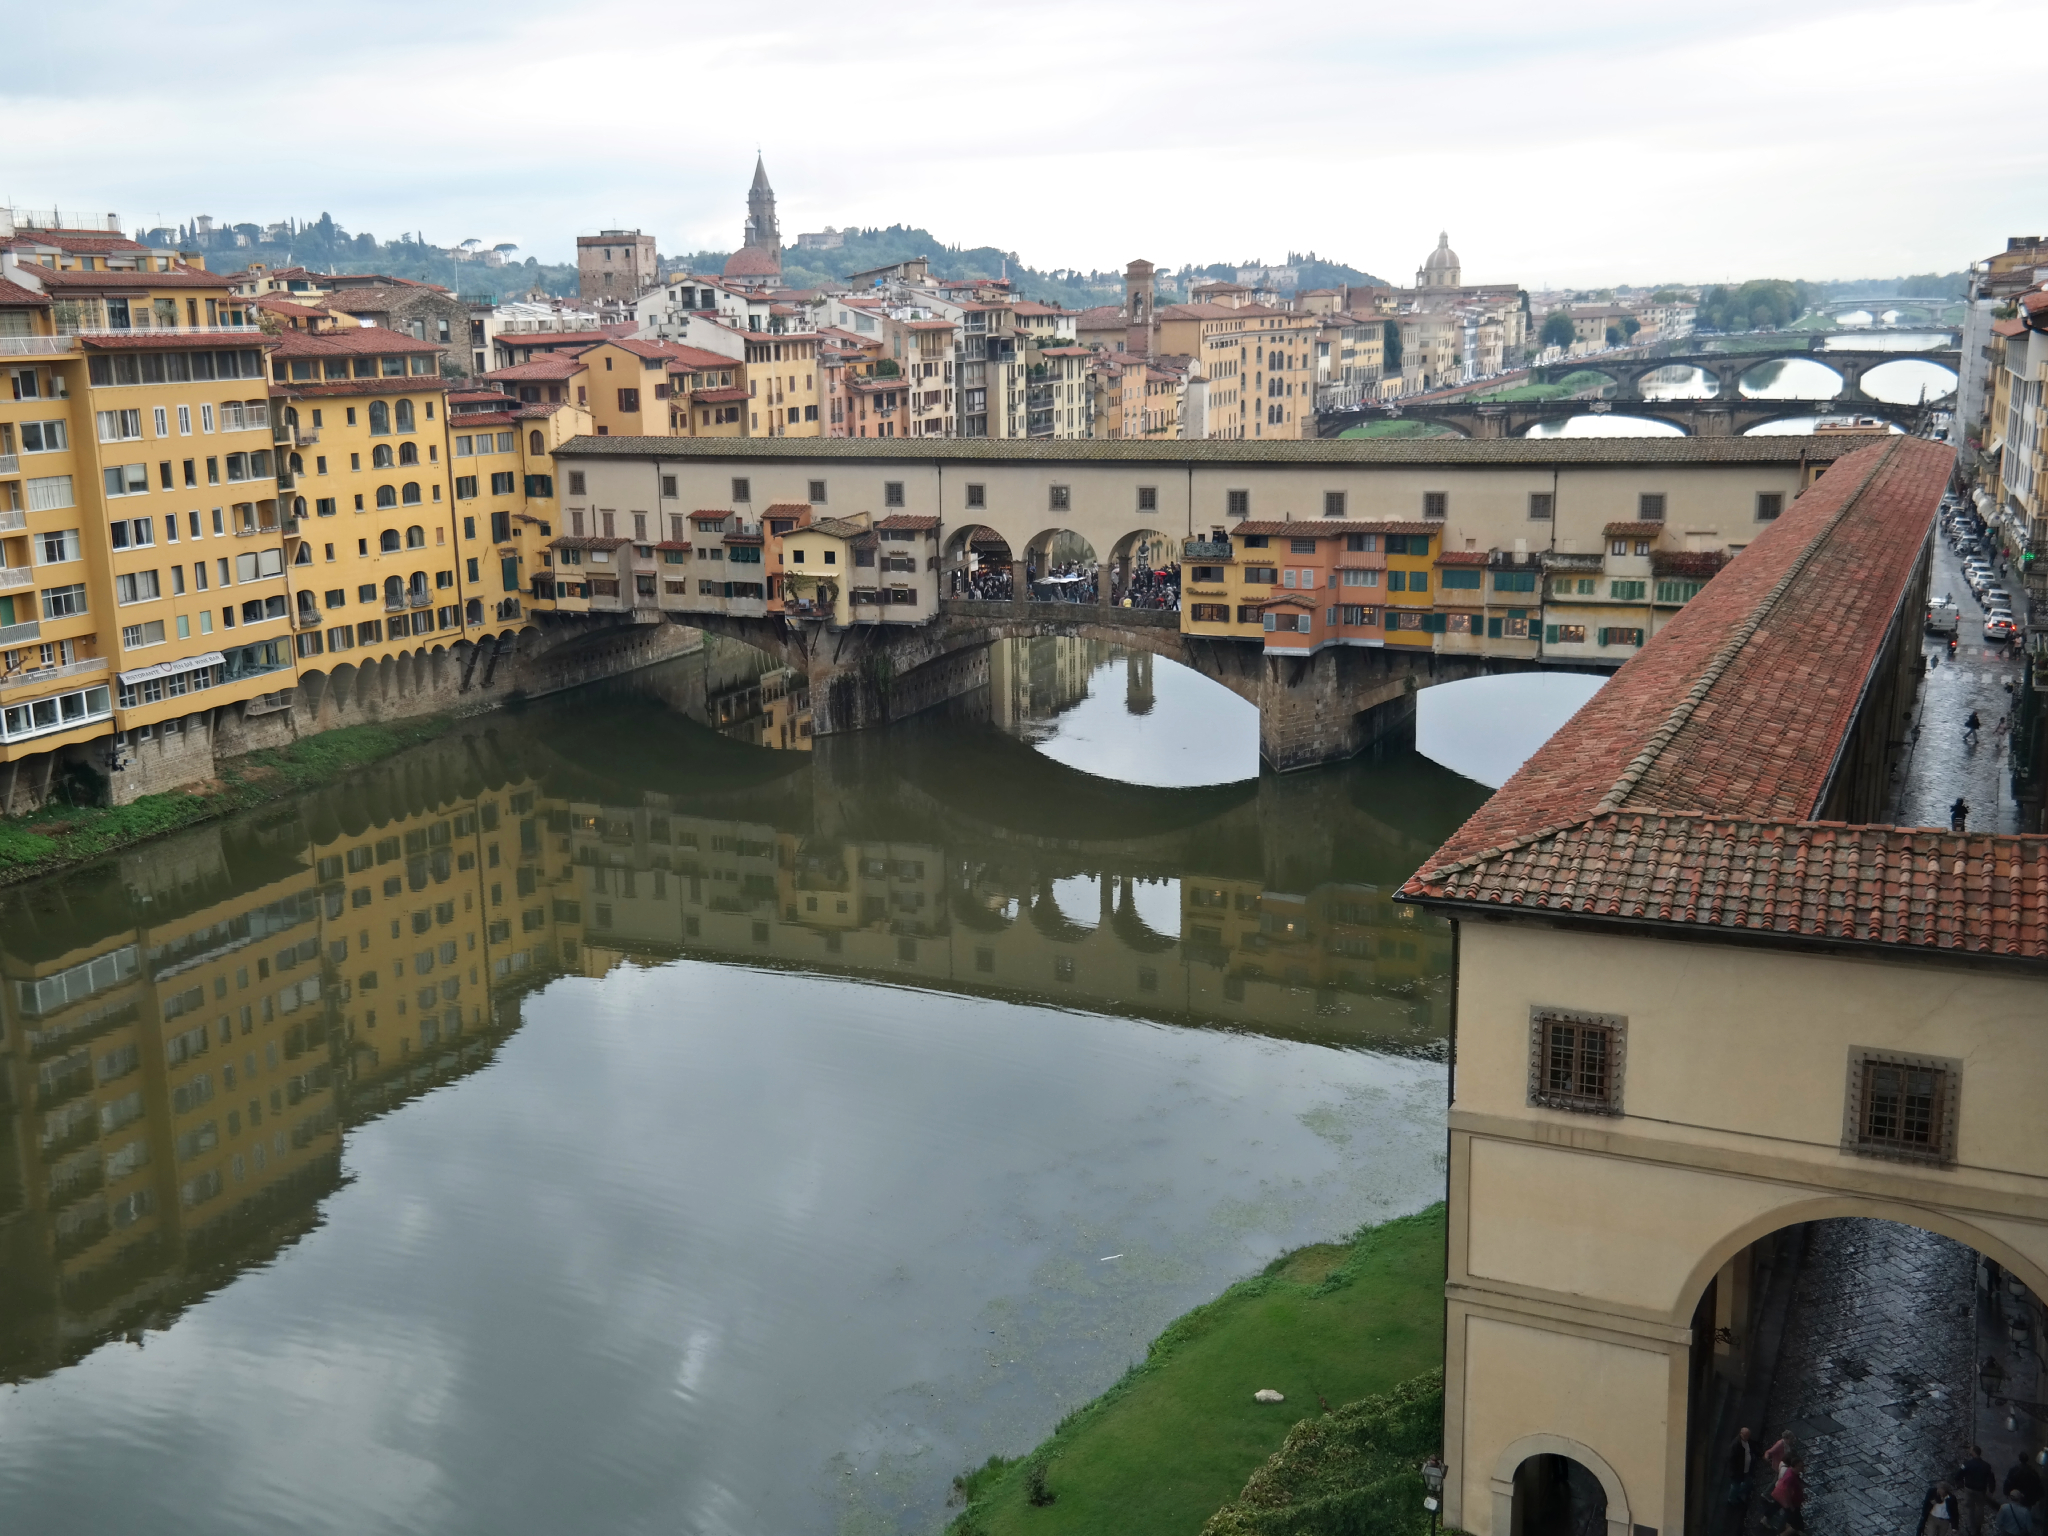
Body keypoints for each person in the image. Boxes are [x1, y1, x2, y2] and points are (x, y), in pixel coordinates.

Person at [1959, 1447, 1997, 1535]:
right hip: (1980, 1490)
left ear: (1974, 1453)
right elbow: (1991, 1479)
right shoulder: (1986, 1466)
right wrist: (1991, 1489)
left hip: (1969, 1489)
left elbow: (1959, 1474)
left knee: (1970, 1508)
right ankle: (1978, 1527)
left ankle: (1971, 1527)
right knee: (1980, 1507)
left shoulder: (1967, 1464)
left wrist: (1959, 1481)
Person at [1771, 1453, 1807, 1533]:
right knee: (1797, 1525)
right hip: (1792, 1504)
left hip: (1793, 1503)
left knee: (1791, 1520)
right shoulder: (1790, 1477)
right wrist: (1790, 1506)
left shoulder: (1792, 1473)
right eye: (1801, 1466)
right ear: (1796, 1466)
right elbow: (1786, 1492)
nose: (1802, 1468)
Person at [1725, 1427, 1755, 1515]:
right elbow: (1730, 1459)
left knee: (1747, 1483)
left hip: (1746, 1468)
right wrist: (1733, 1472)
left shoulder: (1747, 1441)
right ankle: (1732, 1500)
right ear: (1741, 1434)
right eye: (1747, 1436)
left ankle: (1737, 1494)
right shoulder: (1735, 1445)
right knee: (1735, 1486)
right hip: (1738, 1471)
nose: (1748, 1437)